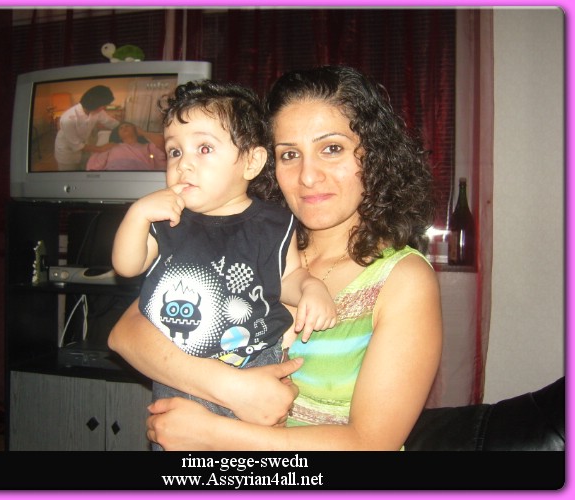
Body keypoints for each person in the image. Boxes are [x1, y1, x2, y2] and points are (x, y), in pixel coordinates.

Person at [108, 65, 443, 450]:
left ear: (373, 155)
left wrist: (212, 433)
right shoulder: (252, 244)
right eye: (289, 154)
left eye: (331, 149)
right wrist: (230, 388)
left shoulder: (403, 279)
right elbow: (127, 333)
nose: (308, 176)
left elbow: (370, 444)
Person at [110, 80, 337, 448]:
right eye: (174, 151)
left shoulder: (274, 224)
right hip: (180, 372)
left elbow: (289, 276)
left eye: (203, 148)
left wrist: (312, 287)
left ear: (251, 162)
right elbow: (126, 265)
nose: (184, 164)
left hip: (255, 362)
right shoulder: (166, 219)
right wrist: (137, 215)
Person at [54, 85, 120, 170]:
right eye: (103, 105)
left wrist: (131, 128)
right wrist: (101, 148)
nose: (104, 108)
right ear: (94, 104)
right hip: (67, 152)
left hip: (84, 147)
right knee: (69, 176)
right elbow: (76, 145)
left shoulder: (97, 111)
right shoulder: (68, 119)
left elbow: (112, 123)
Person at [86, 122, 167, 171]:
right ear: (118, 135)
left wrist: (143, 133)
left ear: (135, 130)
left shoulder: (148, 147)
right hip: (114, 176)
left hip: (140, 177)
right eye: (121, 128)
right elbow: (94, 167)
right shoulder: (112, 147)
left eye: (127, 126)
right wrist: (101, 149)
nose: (124, 128)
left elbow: (165, 144)